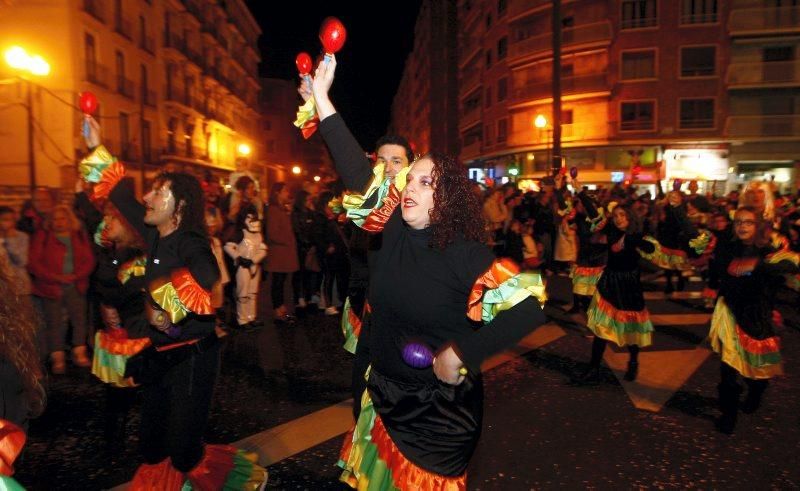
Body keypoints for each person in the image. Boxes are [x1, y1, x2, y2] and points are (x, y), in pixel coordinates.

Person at [310, 55, 547, 490]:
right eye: (409, 179)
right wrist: (323, 101)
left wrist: (462, 353)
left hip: (437, 415)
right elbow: (358, 173)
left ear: (448, 200)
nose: (409, 187)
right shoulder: (388, 231)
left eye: (425, 182)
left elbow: (528, 310)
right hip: (382, 397)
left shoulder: (464, 254)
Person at [78, 118, 267, 489]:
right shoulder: (153, 233)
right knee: (151, 446)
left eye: (157, 193)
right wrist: (95, 146)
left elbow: (207, 275)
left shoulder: (191, 241)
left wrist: (165, 308)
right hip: (160, 353)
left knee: (183, 450)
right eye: (149, 192)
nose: (147, 198)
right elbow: (119, 195)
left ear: (178, 205)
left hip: (195, 356)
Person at [573, 184, 712, 383]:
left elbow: (660, 251)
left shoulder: (638, 238)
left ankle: (633, 361)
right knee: (600, 330)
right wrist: (579, 192)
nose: (619, 218)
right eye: (617, 215)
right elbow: (593, 213)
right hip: (609, 284)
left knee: (631, 329)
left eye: (623, 215)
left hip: (629, 287)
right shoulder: (611, 229)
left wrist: (675, 209)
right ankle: (593, 367)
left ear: (630, 218)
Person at [706, 206, 799, 434]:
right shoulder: (728, 248)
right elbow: (719, 268)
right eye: (738, 222)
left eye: (748, 222)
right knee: (728, 370)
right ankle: (729, 415)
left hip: (757, 318)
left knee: (756, 373)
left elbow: (789, 264)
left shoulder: (767, 251)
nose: (742, 226)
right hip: (730, 315)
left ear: (757, 226)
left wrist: (755, 266)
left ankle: (756, 392)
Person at [28, 204, 95, 374]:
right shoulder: (43, 236)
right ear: (50, 221)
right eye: (55, 219)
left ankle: (79, 352)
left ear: (69, 219)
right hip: (50, 286)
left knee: (79, 320)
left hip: (76, 284)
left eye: (63, 218)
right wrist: (57, 278)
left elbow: (89, 260)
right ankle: (57, 357)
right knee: (54, 322)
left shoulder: (78, 235)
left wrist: (76, 275)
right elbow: (34, 263)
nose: (59, 222)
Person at [224, 203, 268, 328]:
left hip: (254, 267)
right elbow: (228, 246)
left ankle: (251, 317)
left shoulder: (258, 234)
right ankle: (242, 319)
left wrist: (254, 260)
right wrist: (239, 258)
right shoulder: (240, 233)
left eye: (253, 218)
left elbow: (263, 249)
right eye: (249, 218)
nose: (252, 221)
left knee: (253, 293)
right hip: (243, 267)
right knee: (243, 294)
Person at [265, 182, 299, 323]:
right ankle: (278, 311)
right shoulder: (273, 210)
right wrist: (288, 241)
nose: (288, 194)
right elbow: (273, 234)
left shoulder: (281, 210)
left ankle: (282, 309)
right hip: (279, 255)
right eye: (285, 191)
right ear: (277, 193)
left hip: (284, 254)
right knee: (278, 283)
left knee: (282, 283)